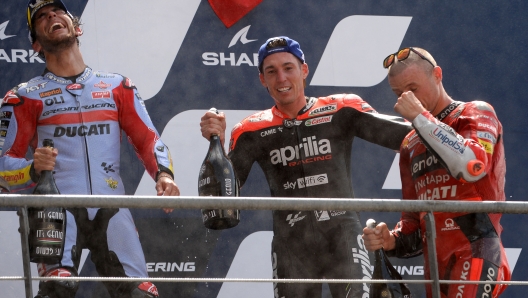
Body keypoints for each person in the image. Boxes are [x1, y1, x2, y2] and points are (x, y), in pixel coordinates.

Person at [200, 36, 411, 298]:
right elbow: (222, 204)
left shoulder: (341, 108)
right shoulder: (250, 130)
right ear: (262, 80)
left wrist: (450, 133)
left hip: (343, 237)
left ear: (304, 70)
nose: (281, 78)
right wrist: (217, 145)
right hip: (291, 245)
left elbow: (408, 138)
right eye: (271, 71)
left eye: (288, 68)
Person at [0, 1, 180, 297]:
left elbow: (149, 139)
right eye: (42, 17)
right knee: (57, 289)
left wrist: (163, 175)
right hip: (55, 209)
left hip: (112, 208)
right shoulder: (23, 97)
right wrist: (32, 169)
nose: (51, 17)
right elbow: (2, 168)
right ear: (35, 44)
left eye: (58, 12)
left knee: (140, 294)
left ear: (76, 25)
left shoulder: (117, 87)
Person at [361, 47, 511, 297]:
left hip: (477, 252)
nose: (406, 99)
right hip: (435, 265)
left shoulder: (476, 112)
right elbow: (413, 223)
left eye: (413, 89)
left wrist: (420, 117)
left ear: (437, 75)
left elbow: (472, 167)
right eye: (398, 94)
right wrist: (391, 240)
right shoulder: (410, 142)